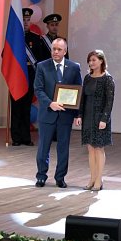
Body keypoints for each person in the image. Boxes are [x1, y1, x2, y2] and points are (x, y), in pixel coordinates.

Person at [33, 37, 82, 188]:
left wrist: (78, 114)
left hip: (65, 115)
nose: (55, 52)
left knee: (63, 148)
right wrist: (50, 103)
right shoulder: (42, 66)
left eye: (59, 49)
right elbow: (38, 89)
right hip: (47, 114)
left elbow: (78, 91)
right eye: (54, 49)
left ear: (65, 51)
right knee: (43, 147)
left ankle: (60, 177)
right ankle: (41, 176)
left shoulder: (74, 67)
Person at [74, 49, 115, 192]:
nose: (91, 63)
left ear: (101, 61)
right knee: (90, 148)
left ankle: (99, 179)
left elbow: (109, 102)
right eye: (89, 60)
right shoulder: (87, 78)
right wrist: (79, 115)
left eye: (94, 60)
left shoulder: (107, 79)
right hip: (88, 117)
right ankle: (92, 178)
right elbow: (83, 99)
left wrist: (104, 119)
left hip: (100, 118)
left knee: (98, 148)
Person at [11, 8, 43, 146]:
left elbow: (40, 60)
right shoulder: (13, 37)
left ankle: (26, 137)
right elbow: (5, 55)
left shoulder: (36, 38)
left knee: (26, 108)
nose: (25, 22)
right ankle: (16, 138)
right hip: (17, 76)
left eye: (28, 19)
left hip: (30, 75)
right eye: (23, 19)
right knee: (16, 107)